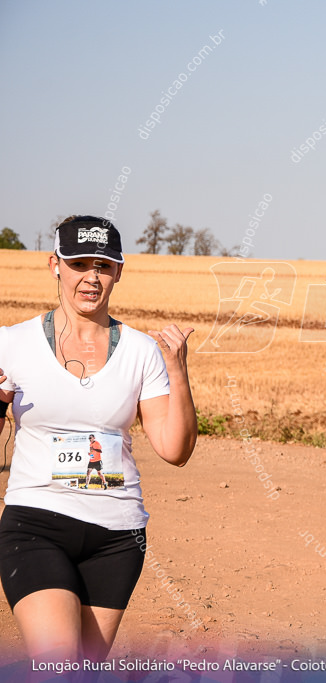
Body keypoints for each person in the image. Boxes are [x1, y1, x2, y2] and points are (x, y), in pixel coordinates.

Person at [0, 215, 198, 663]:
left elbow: (174, 450)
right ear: (55, 265)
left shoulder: (143, 351)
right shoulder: (11, 344)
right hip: (36, 523)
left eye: (104, 266)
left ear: (119, 271)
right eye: (79, 263)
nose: (91, 277)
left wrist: (178, 371)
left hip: (117, 536)